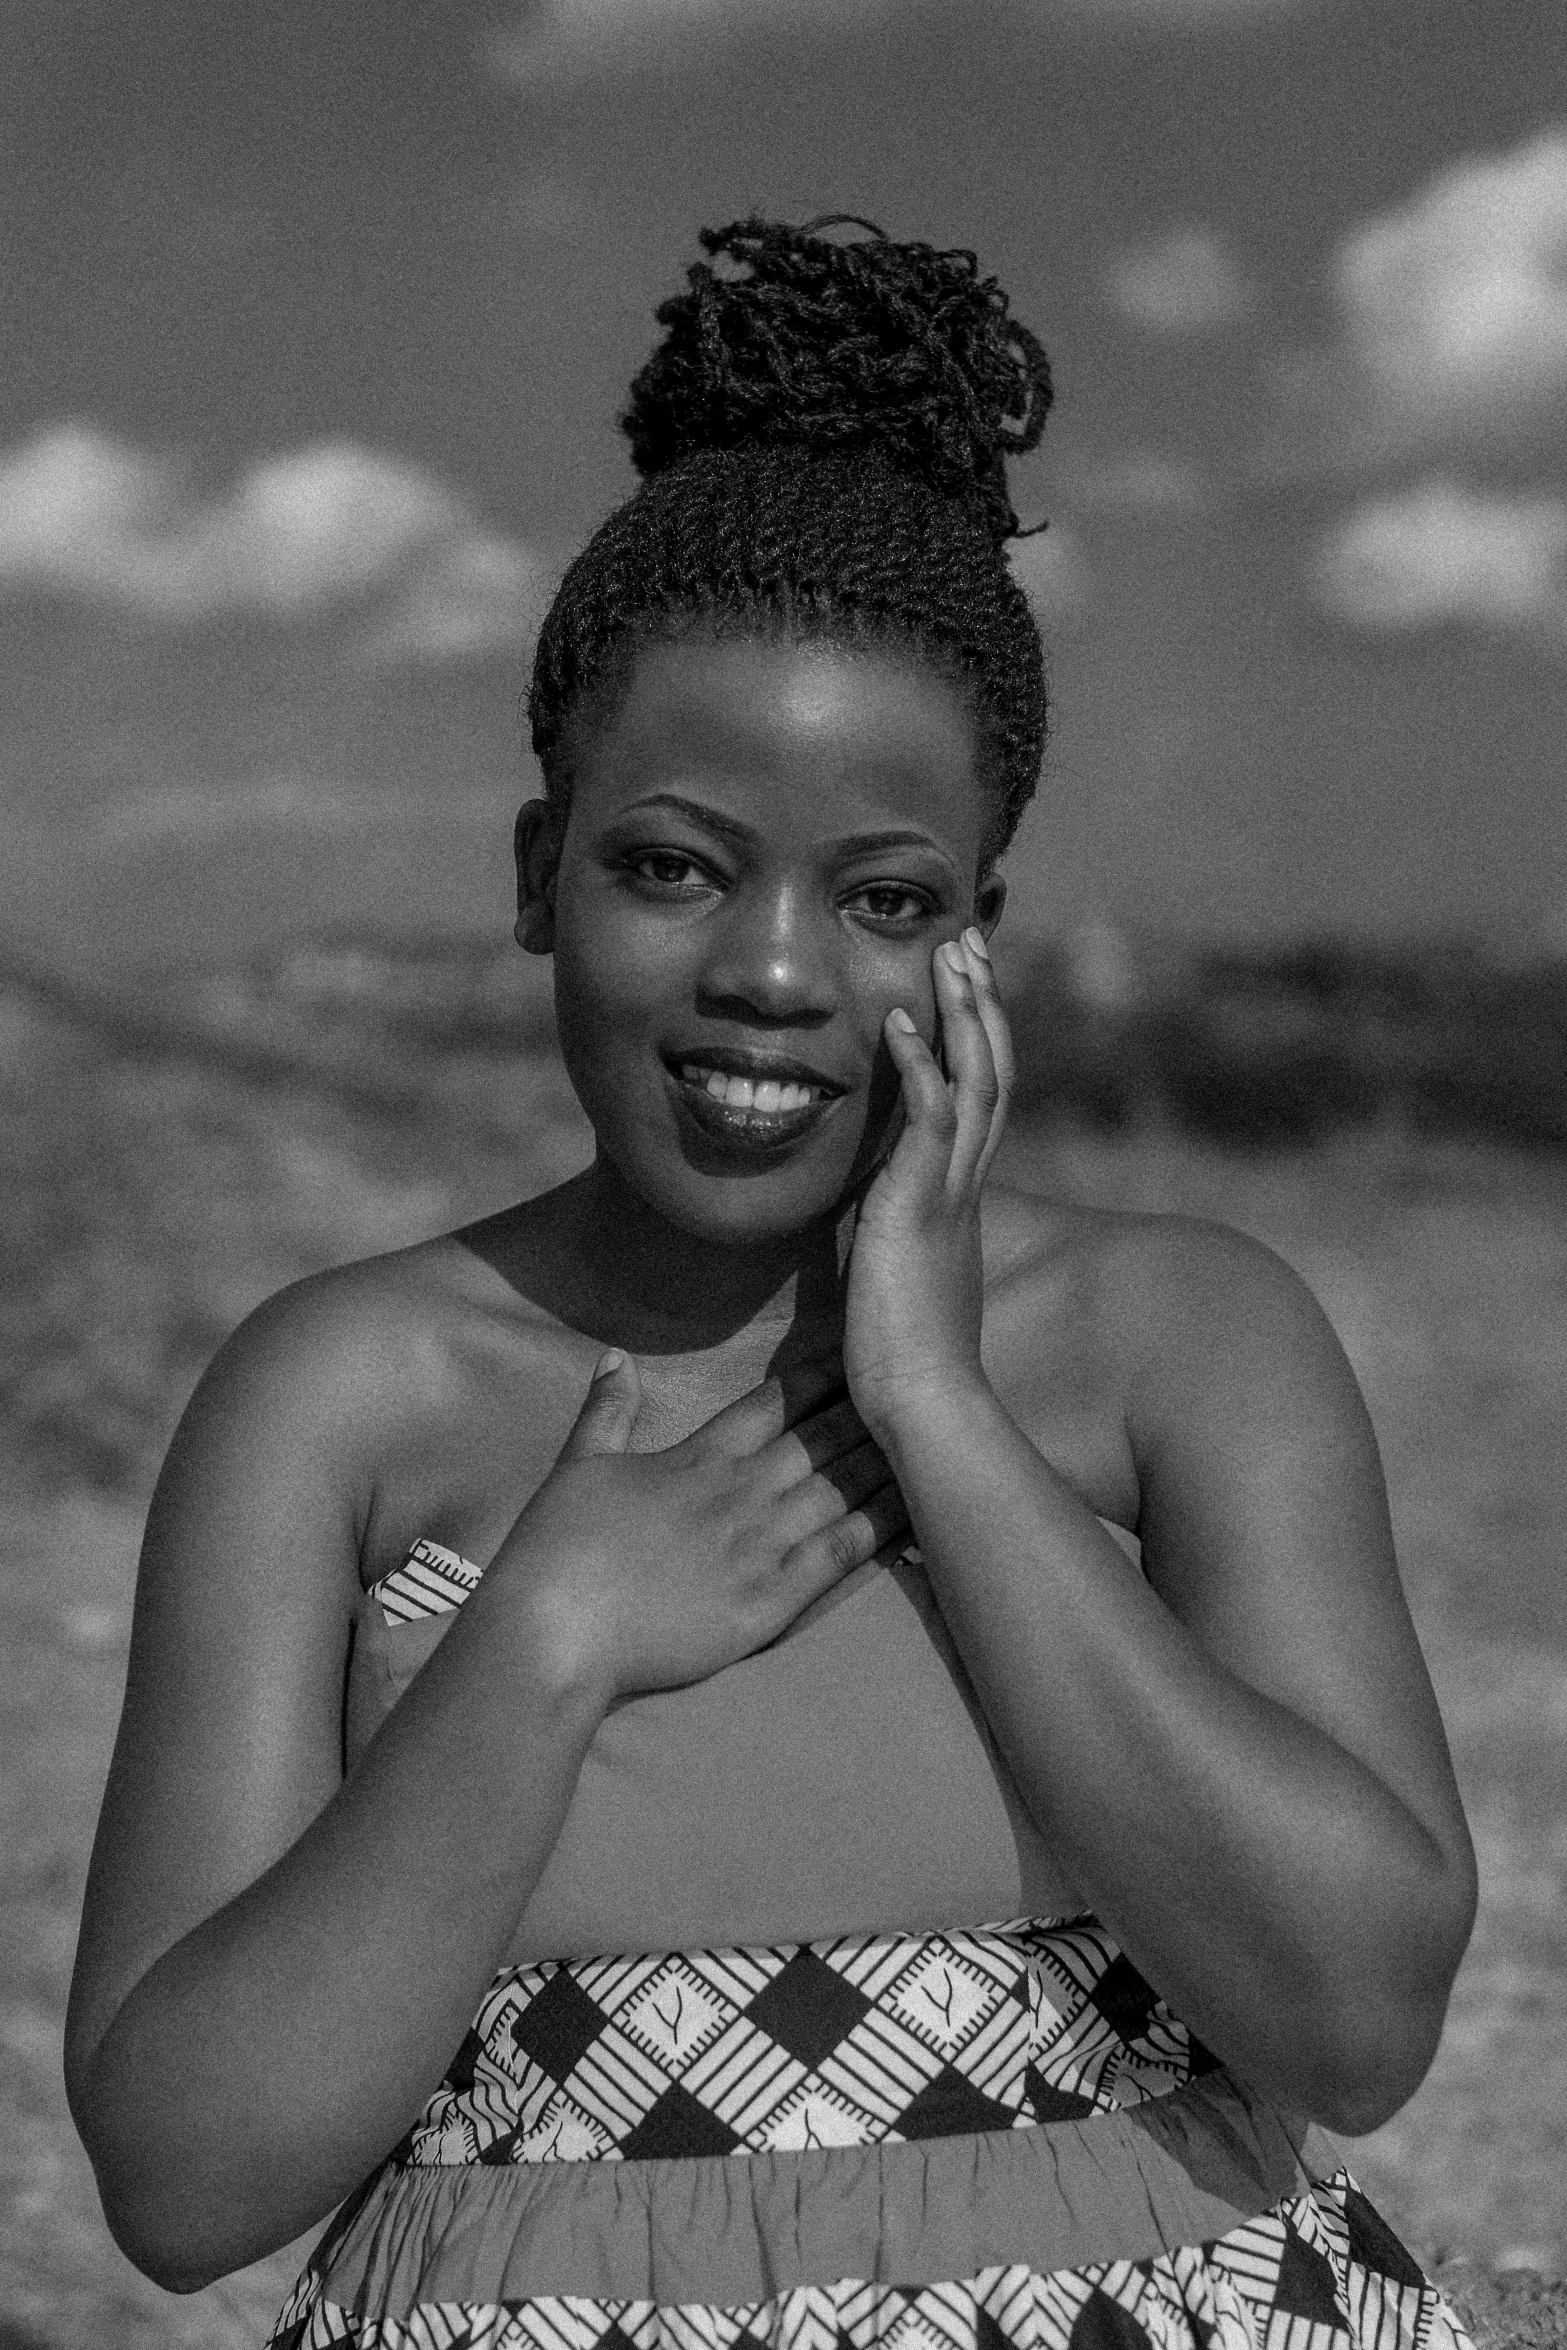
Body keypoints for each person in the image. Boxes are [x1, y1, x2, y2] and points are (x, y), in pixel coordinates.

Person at [65, 217, 1480, 2350]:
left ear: (977, 928)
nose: (777, 973)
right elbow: (181, 2176)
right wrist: (544, 1636)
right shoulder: (339, 1396)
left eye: (885, 894)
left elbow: (1359, 2011)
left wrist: (941, 1412)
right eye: (674, 861)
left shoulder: (1182, 1339)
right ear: (538, 872)